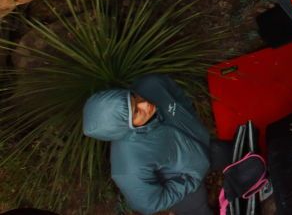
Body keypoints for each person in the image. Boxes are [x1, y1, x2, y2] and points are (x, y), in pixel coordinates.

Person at [82, 74, 232, 215]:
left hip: (205, 147)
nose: (145, 104)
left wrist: (191, 123)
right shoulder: (128, 164)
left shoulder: (152, 85)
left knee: (236, 152)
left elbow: (178, 96)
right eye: (136, 112)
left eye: (134, 97)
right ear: (124, 127)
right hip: (185, 185)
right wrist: (189, 182)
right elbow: (148, 204)